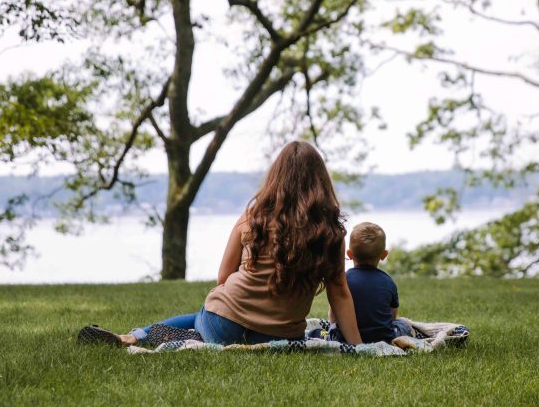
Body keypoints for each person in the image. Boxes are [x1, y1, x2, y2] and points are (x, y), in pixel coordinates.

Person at [101, 141, 363, 347]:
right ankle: (148, 335)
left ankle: (137, 335)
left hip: (223, 326)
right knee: (208, 315)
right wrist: (358, 346)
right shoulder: (330, 233)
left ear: (276, 178)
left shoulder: (253, 217)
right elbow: (339, 292)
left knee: (203, 316)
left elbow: (224, 278)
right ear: (320, 182)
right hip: (281, 336)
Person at [326, 222, 412, 344]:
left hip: (345, 338)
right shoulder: (388, 281)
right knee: (402, 324)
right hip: (383, 338)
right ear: (384, 255)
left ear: (349, 254)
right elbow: (391, 316)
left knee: (332, 329)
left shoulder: (343, 280)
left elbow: (334, 316)